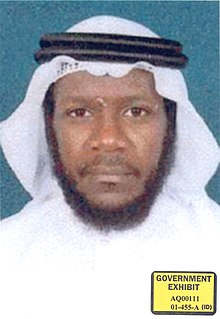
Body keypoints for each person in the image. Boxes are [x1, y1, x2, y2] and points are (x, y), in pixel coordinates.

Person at [0, 16, 219, 319]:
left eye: (136, 112)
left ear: (171, 126)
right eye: (79, 112)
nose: (109, 139)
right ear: (49, 127)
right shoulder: (6, 256)